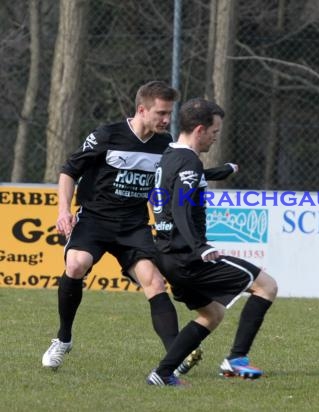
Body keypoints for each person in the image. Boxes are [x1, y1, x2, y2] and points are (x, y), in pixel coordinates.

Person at [42, 80, 183, 369]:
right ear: (142, 110)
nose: (166, 119)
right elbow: (68, 172)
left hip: (133, 226)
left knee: (155, 282)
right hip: (94, 220)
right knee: (76, 264)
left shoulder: (165, 145)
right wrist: (63, 211)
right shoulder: (106, 135)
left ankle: (176, 357)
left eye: (169, 113)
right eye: (161, 113)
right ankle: (63, 339)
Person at [145, 98, 278, 386]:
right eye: (215, 133)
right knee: (266, 286)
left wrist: (222, 171)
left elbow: (181, 182)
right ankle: (237, 358)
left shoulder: (170, 155)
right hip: (187, 255)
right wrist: (200, 246)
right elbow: (181, 206)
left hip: (167, 255)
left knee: (211, 314)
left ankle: (163, 373)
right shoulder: (189, 160)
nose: (215, 138)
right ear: (200, 130)